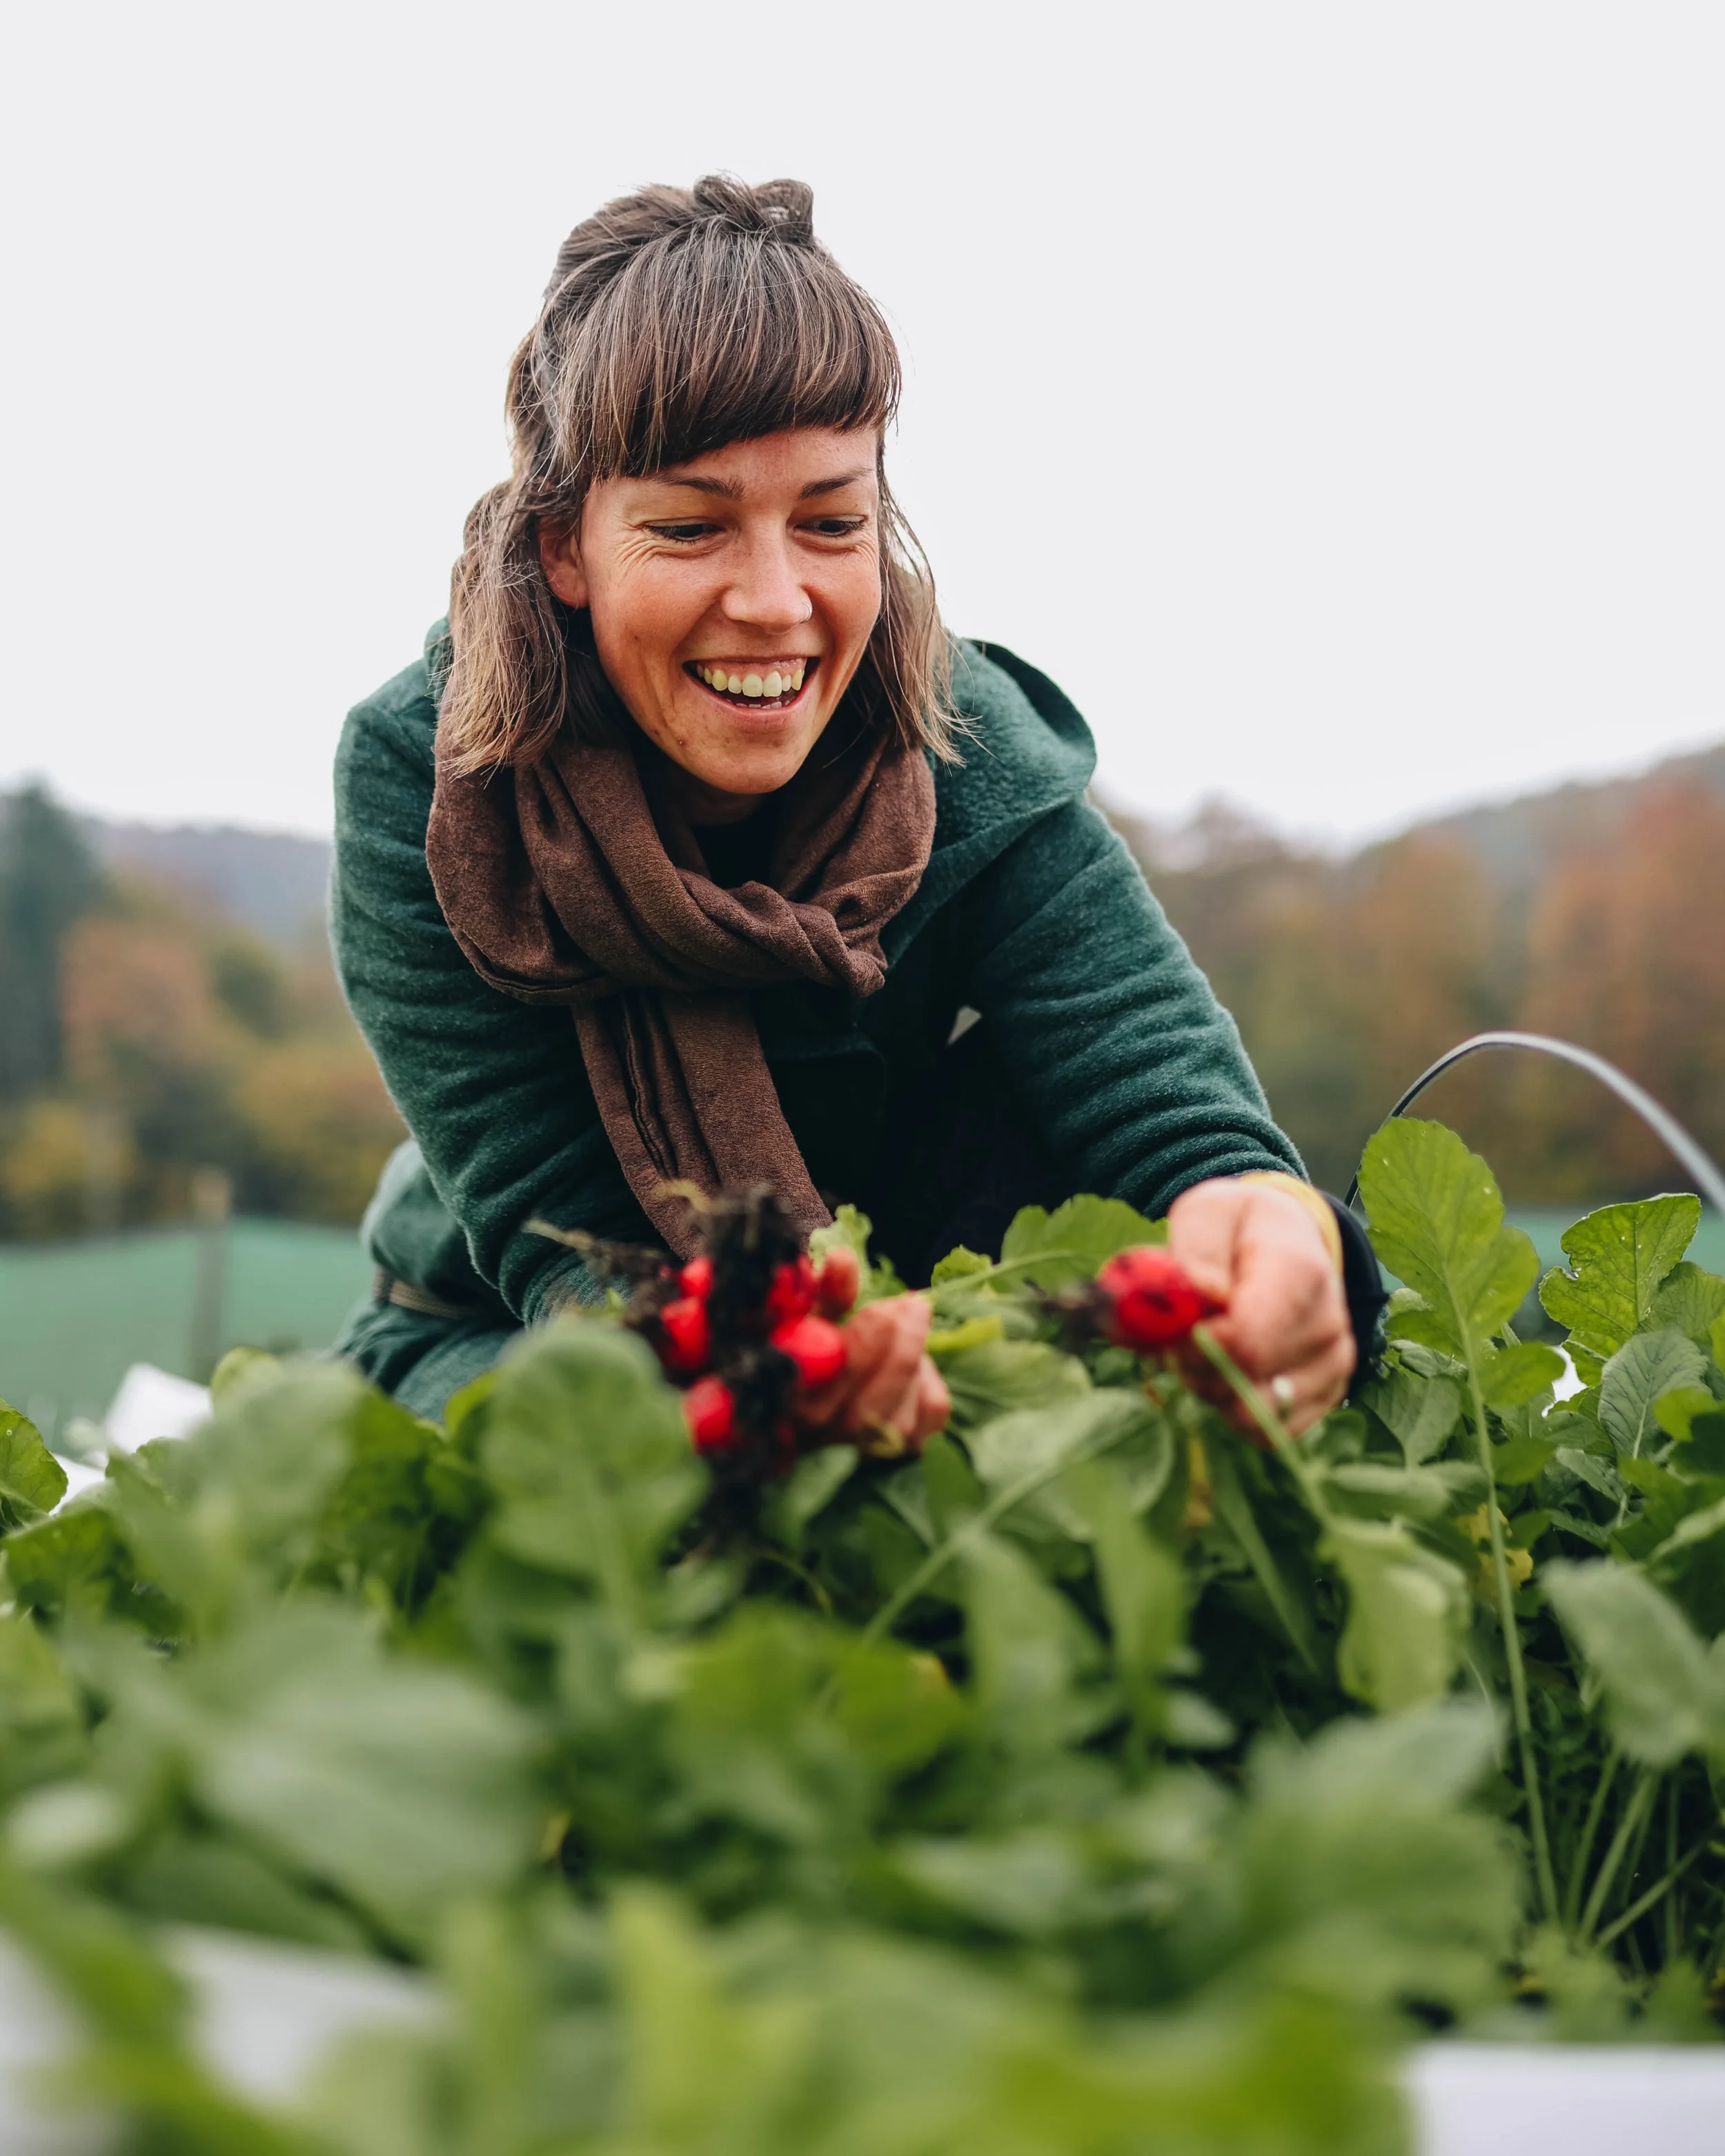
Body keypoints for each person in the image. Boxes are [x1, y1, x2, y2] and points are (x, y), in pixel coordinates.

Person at [330, 175, 1383, 1447]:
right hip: (496, 1328)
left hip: (897, 1282)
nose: (777, 601)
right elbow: (567, 1252)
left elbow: (1161, 1086)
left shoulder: (962, 736)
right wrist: (765, 1363)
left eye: (833, 520)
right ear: (565, 545)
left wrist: (1268, 1218)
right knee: (588, 1461)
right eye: (688, 526)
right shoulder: (434, 787)